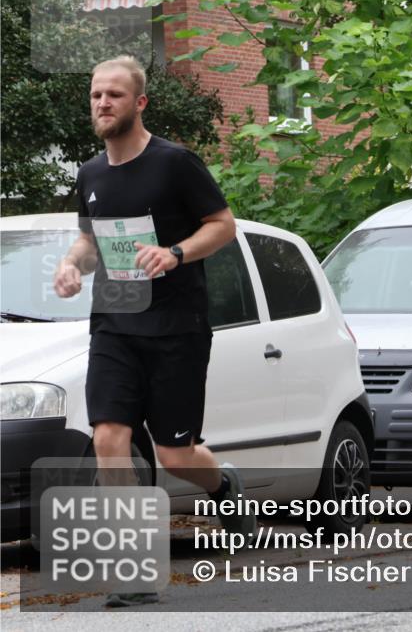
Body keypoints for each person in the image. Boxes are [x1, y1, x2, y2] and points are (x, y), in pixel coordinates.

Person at [53, 55, 254, 604]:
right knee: (109, 440)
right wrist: (72, 264)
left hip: (176, 328)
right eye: (96, 94)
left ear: (139, 102)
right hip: (115, 327)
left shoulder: (174, 163)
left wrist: (175, 254)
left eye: (114, 95)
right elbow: (90, 241)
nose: (102, 103)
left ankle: (223, 486)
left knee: (175, 455)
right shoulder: (91, 173)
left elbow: (223, 226)